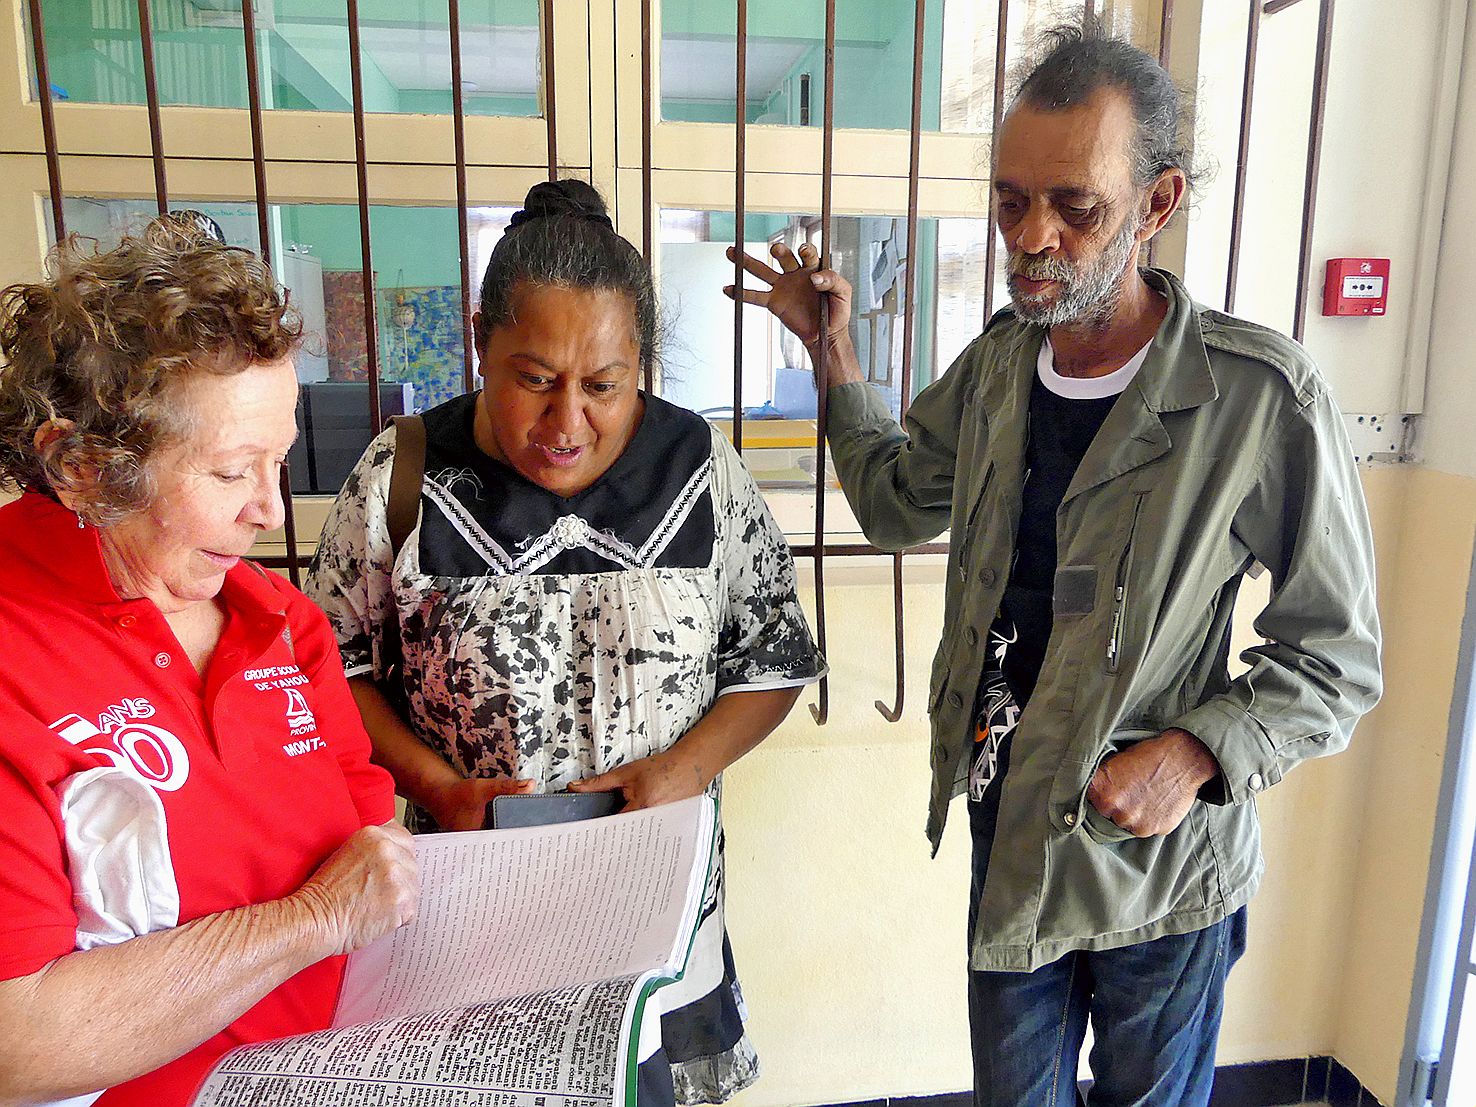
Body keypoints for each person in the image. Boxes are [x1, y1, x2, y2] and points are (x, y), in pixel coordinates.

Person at [726, 25, 1381, 1107]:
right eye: (1011, 202)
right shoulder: (997, 368)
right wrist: (830, 348)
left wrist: (1195, 753)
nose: (1033, 237)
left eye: (1076, 207)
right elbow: (893, 503)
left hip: (1158, 863)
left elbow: (1337, 659)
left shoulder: (1257, 399)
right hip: (1015, 827)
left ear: (1157, 204)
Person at [305, 179, 824, 1106]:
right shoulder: (404, 473)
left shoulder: (700, 470)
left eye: (603, 386)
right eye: (535, 380)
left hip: (649, 903)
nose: (566, 423)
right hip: (467, 911)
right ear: (481, 342)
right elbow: (331, 669)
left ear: (641, 364)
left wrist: (684, 767)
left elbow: (775, 658)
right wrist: (437, 785)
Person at [0, 216, 420, 1106]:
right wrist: (312, 919)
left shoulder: (282, 623)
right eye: (231, 472)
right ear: (80, 466)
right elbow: (17, 1042)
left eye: (279, 461)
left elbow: (371, 859)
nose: (270, 510)